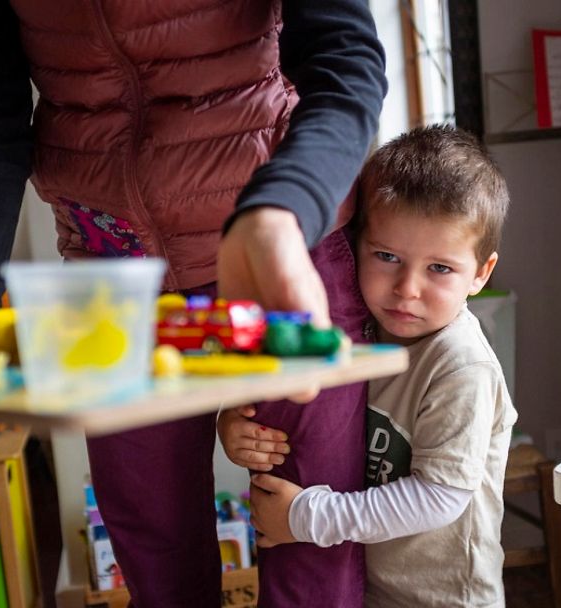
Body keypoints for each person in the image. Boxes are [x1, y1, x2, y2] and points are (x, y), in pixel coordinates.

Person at [0, 1, 387, 606]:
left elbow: (344, 60)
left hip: (282, 238)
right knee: (154, 547)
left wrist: (284, 210)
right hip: (112, 270)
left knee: (310, 532)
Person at [218, 125, 518, 607]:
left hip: (444, 599)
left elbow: (440, 497)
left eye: (439, 268)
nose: (407, 288)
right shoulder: (359, 333)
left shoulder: (460, 365)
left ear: (480, 273)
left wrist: (306, 518)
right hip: (371, 588)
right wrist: (236, 427)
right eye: (386, 256)